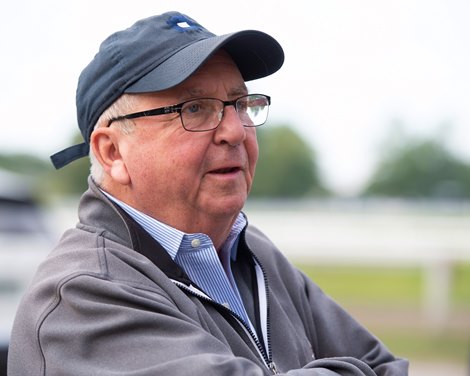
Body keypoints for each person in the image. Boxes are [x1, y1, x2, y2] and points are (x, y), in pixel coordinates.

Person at [8, 11, 408, 376]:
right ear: (112, 152)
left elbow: (387, 366)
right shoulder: (83, 297)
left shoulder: (251, 252)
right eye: (194, 108)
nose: (235, 131)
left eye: (239, 103)